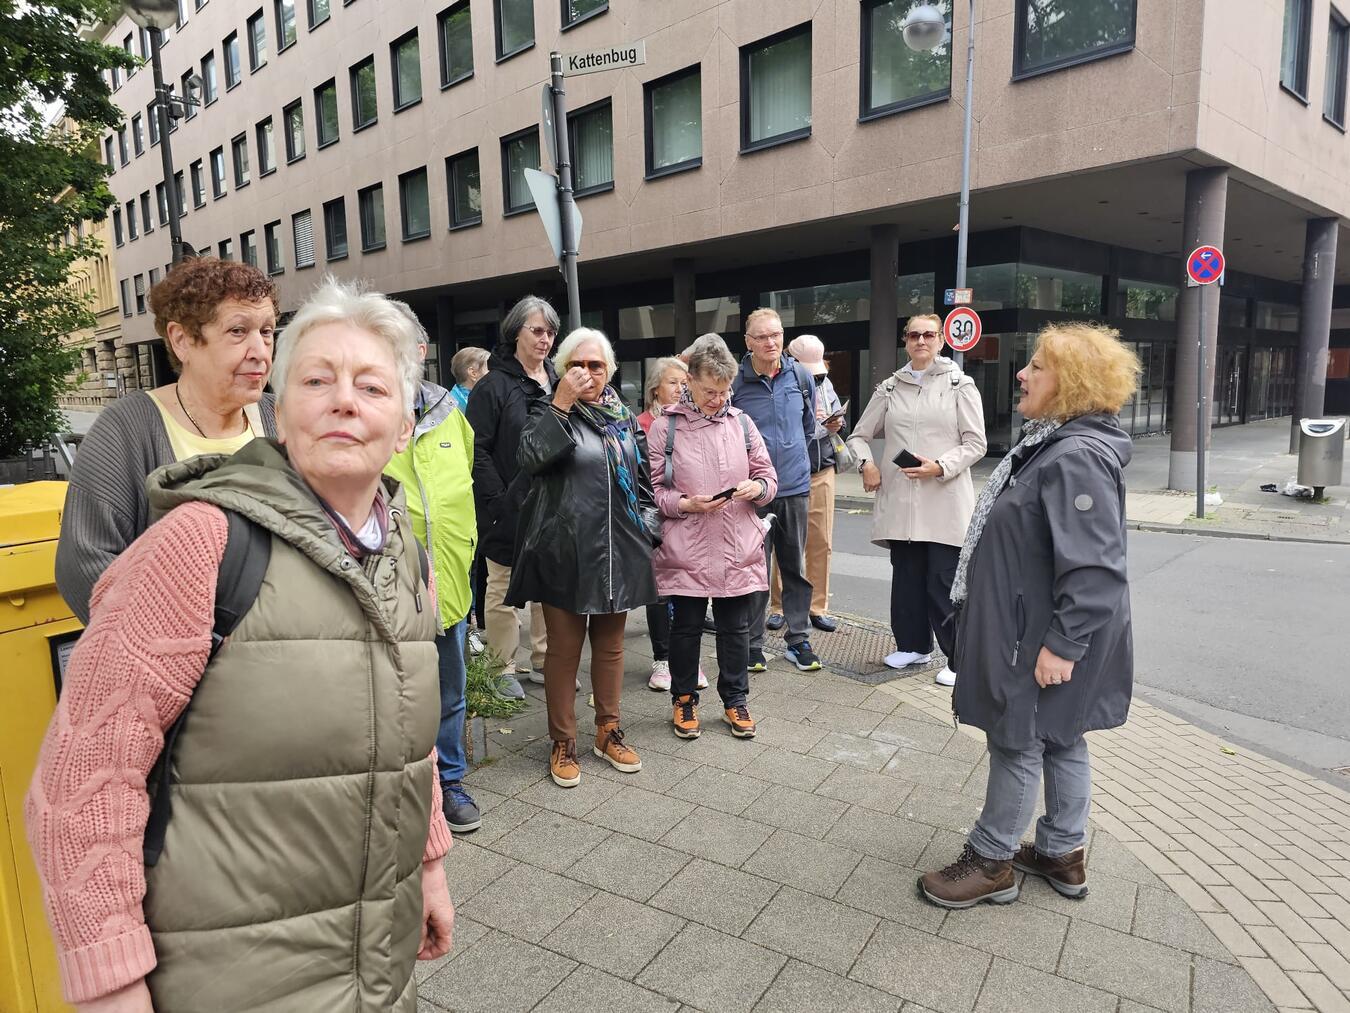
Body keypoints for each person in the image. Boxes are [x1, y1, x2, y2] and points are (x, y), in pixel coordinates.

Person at [25, 278, 456, 1011]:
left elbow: (407, 732)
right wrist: (110, 980)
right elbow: (82, 778)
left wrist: (430, 863)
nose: (345, 400)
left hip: (377, 967)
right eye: (317, 380)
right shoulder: (200, 544)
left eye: (373, 385)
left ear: (406, 425)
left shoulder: (407, 557)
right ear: (278, 416)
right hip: (229, 977)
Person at [918, 322, 1138, 910]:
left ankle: (992, 860)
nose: (1021, 373)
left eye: (1036, 366)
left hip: (1038, 634)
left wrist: (1063, 645)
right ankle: (1063, 852)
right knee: (1062, 736)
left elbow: (1095, 567)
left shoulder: (1075, 457)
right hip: (1039, 625)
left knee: (1016, 741)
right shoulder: (1056, 444)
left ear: (1070, 383)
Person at [55, 257, 278, 623]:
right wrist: (178, 646)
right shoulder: (128, 428)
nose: (260, 352)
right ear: (182, 340)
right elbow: (85, 563)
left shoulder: (282, 417)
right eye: (238, 331)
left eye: (267, 331)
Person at [507, 327, 661, 788]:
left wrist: (648, 529)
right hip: (565, 552)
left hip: (619, 551)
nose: (588, 373)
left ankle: (608, 731)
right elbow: (530, 456)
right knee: (564, 650)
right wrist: (561, 404)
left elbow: (643, 481)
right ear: (562, 370)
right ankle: (563, 740)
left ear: (610, 371)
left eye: (596, 365)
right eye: (579, 365)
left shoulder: (624, 419)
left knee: (612, 648)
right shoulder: (547, 410)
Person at [649, 335, 778, 740]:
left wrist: (757, 489)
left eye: (724, 392)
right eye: (709, 391)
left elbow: (769, 477)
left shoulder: (742, 423)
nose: (717, 399)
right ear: (690, 380)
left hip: (736, 540)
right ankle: (684, 698)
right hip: (687, 542)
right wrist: (687, 503)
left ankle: (736, 700)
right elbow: (653, 492)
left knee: (735, 627)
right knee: (685, 627)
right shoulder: (664, 428)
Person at [846, 314, 986, 687]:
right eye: (913, 335)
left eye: (928, 334)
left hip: (944, 499)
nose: (920, 340)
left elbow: (976, 443)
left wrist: (939, 466)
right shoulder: (891, 388)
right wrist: (866, 464)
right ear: (905, 340)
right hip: (902, 502)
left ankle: (959, 659)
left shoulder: (960, 384)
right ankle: (912, 645)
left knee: (943, 583)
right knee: (907, 579)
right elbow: (858, 435)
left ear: (940, 339)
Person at [385, 332, 486, 835]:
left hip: (448, 576)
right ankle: (399, 792)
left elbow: (463, 474)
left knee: (451, 692)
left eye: (411, 345)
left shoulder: (449, 409)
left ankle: (450, 782)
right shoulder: (370, 409)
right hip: (390, 587)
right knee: (390, 695)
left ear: (423, 351)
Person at [466, 296, 559, 695]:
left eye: (551, 332)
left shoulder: (558, 379)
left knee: (548, 587)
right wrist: (499, 499)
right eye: (536, 330)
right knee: (501, 589)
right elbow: (476, 448)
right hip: (506, 507)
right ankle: (502, 667)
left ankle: (543, 661)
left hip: (554, 505)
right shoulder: (493, 386)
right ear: (515, 332)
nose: (545, 339)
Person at [731, 308, 820, 673]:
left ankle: (798, 639)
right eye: (762, 337)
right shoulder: (735, 383)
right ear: (748, 341)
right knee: (754, 569)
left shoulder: (800, 375)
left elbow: (809, 426)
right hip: (754, 493)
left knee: (794, 566)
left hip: (795, 488)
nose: (771, 343)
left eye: (776, 335)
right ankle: (752, 644)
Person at [636, 356, 706, 693]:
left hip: (690, 516)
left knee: (689, 589)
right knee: (660, 591)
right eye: (673, 382)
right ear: (655, 388)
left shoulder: (693, 421)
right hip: (655, 516)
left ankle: (689, 661)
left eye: (684, 382)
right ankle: (662, 659)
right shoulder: (641, 424)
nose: (680, 388)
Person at [769, 334, 845, 633]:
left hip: (821, 468)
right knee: (783, 544)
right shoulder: (782, 384)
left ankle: (817, 606)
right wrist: (818, 427)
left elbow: (834, 413)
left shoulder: (824, 383)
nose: (815, 376)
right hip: (788, 473)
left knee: (821, 542)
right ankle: (778, 607)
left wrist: (836, 424)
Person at [448, 345, 490, 412]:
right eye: (489, 369)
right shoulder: (453, 407)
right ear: (473, 373)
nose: (493, 374)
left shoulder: (453, 400)